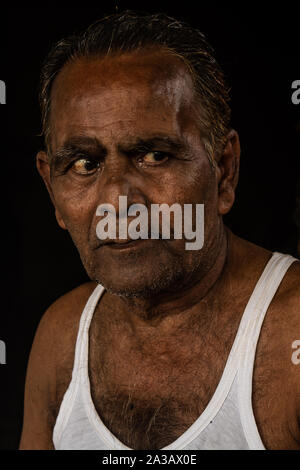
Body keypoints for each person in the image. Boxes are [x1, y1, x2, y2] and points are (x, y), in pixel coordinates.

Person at [19, 11, 300, 450]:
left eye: (154, 156)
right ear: (51, 191)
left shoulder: (291, 337)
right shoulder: (62, 336)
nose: (116, 201)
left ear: (224, 170)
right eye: (84, 164)